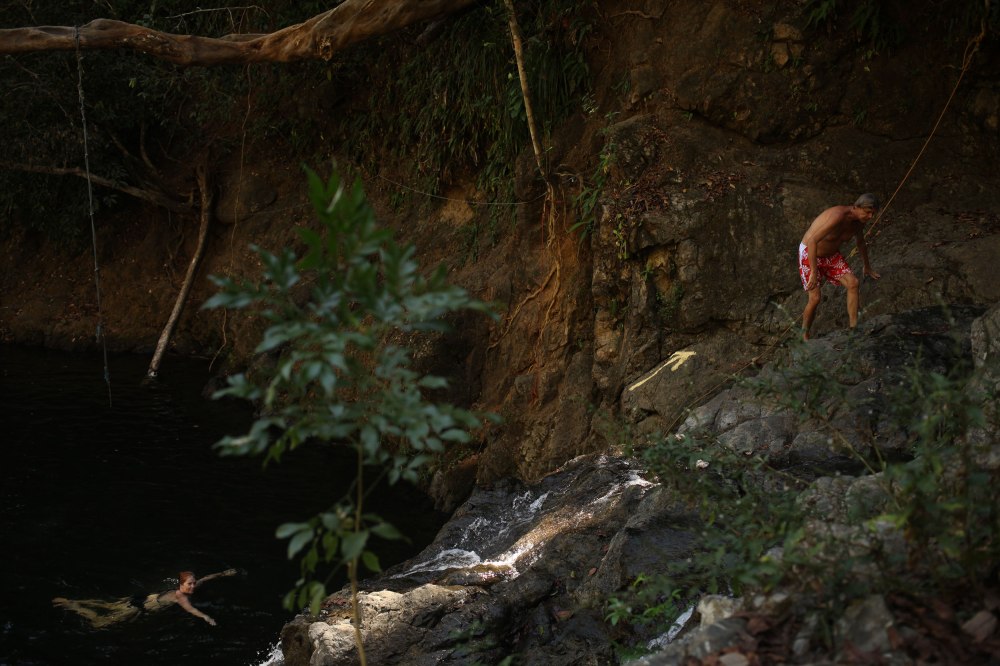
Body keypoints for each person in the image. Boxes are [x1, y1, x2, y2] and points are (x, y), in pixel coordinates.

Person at [798, 193, 881, 340]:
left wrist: (867, 266)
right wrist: (814, 272)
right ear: (856, 207)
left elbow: (860, 242)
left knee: (853, 283)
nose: (870, 217)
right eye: (868, 213)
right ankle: (804, 334)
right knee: (815, 298)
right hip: (809, 253)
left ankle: (854, 328)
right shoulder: (837, 216)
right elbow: (812, 241)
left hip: (831, 256)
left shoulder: (859, 222)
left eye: (872, 214)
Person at [53, 568, 237, 629]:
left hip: (140, 598)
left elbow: (205, 578)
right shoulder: (180, 596)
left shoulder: (186, 586)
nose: (193, 586)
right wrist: (205, 617)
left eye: (194, 583)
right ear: (181, 584)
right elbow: (190, 609)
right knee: (99, 623)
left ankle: (77, 602)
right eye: (190, 584)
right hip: (138, 607)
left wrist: (223, 574)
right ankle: (72, 605)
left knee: (109, 605)